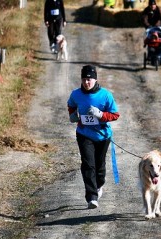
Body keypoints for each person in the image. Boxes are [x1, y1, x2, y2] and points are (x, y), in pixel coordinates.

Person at [67, 65, 120, 209]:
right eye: (84, 79)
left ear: (95, 80)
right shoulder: (76, 94)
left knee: (99, 166)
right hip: (84, 134)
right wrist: (73, 115)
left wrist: (101, 115)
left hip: (102, 135)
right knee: (88, 164)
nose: (86, 82)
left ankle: (99, 184)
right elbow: (71, 105)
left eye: (89, 79)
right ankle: (91, 197)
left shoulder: (106, 95)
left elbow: (115, 115)